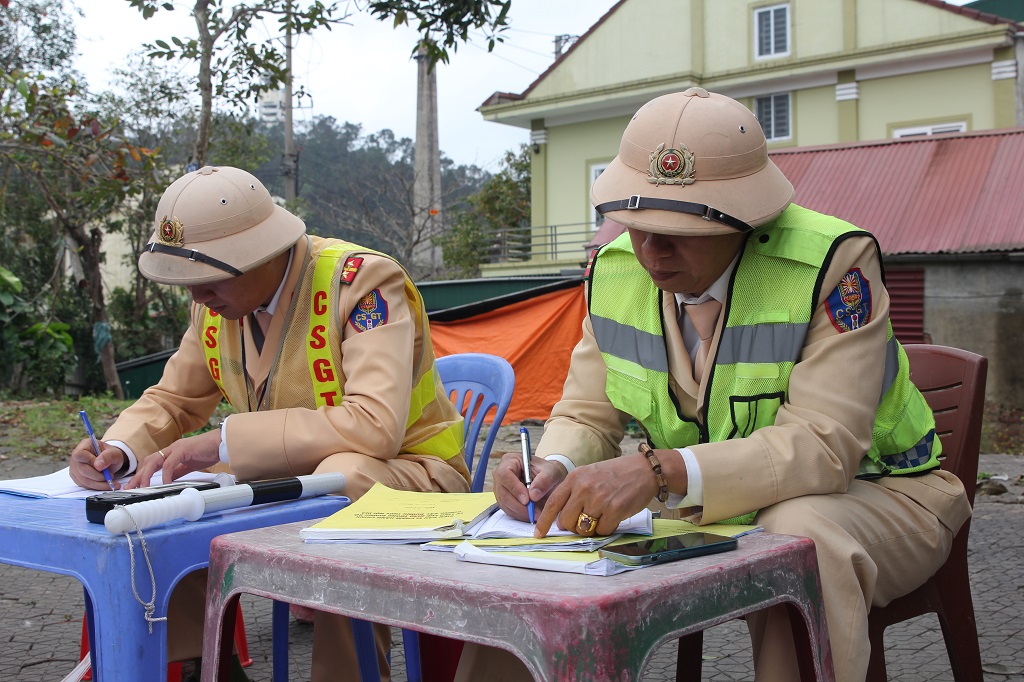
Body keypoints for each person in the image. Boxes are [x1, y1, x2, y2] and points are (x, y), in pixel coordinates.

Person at [458, 88, 972, 682]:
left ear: (747, 216)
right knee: (530, 547)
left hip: (883, 493)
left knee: (797, 537)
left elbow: (824, 447)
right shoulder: (615, 269)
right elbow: (588, 414)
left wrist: (659, 471)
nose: (650, 249)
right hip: (709, 502)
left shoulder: (834, 264)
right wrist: (551, 467)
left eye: (679, 228)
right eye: (636, 223)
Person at [69, 165, 470, 681]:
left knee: (341, 477)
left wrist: (223, 441)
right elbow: (173, 399)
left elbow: (375, 426)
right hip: (295, 472)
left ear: (261, 254)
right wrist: (119, 449)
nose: (197, 297)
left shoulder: (363, 282)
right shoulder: (217, 306)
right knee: (169, 493)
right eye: (188, 282)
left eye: (209, 278)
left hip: (415, 475)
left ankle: (346, 675)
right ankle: (203, 663)